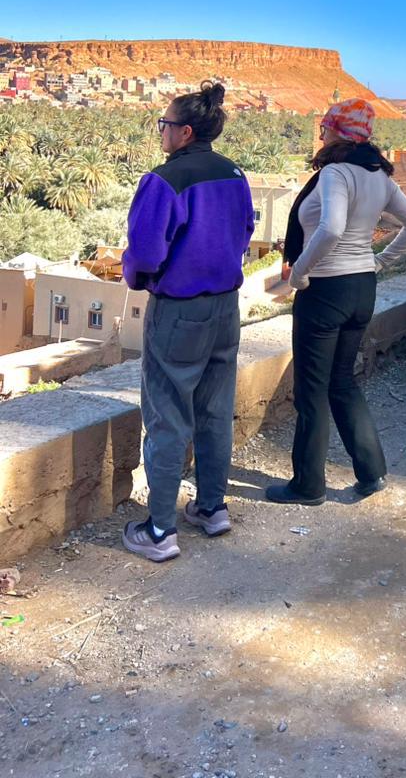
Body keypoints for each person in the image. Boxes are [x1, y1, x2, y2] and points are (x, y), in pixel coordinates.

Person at [267, 99, 406, 507]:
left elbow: (332, 227)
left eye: (324, 127)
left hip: (326, 290)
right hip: (361, 289)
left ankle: (307, 485)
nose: (321, 134)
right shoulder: (380, 177)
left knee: (312, 390)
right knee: (343, 381)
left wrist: (300, 272)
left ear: (337, 132)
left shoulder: (336, 173)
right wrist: (379, 261)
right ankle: (371, 472)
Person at [121, 81, 255, 563]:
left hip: (179, 311)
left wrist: (137, 274)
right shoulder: (234, 174)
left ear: (185, 131)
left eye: (166, 124)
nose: (162, 131)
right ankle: (212, 508)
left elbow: (146, 250)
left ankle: (159, 530)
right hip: (225, 307)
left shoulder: (165, 180)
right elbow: (246, 230)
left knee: (167, 416)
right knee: (215, 411)